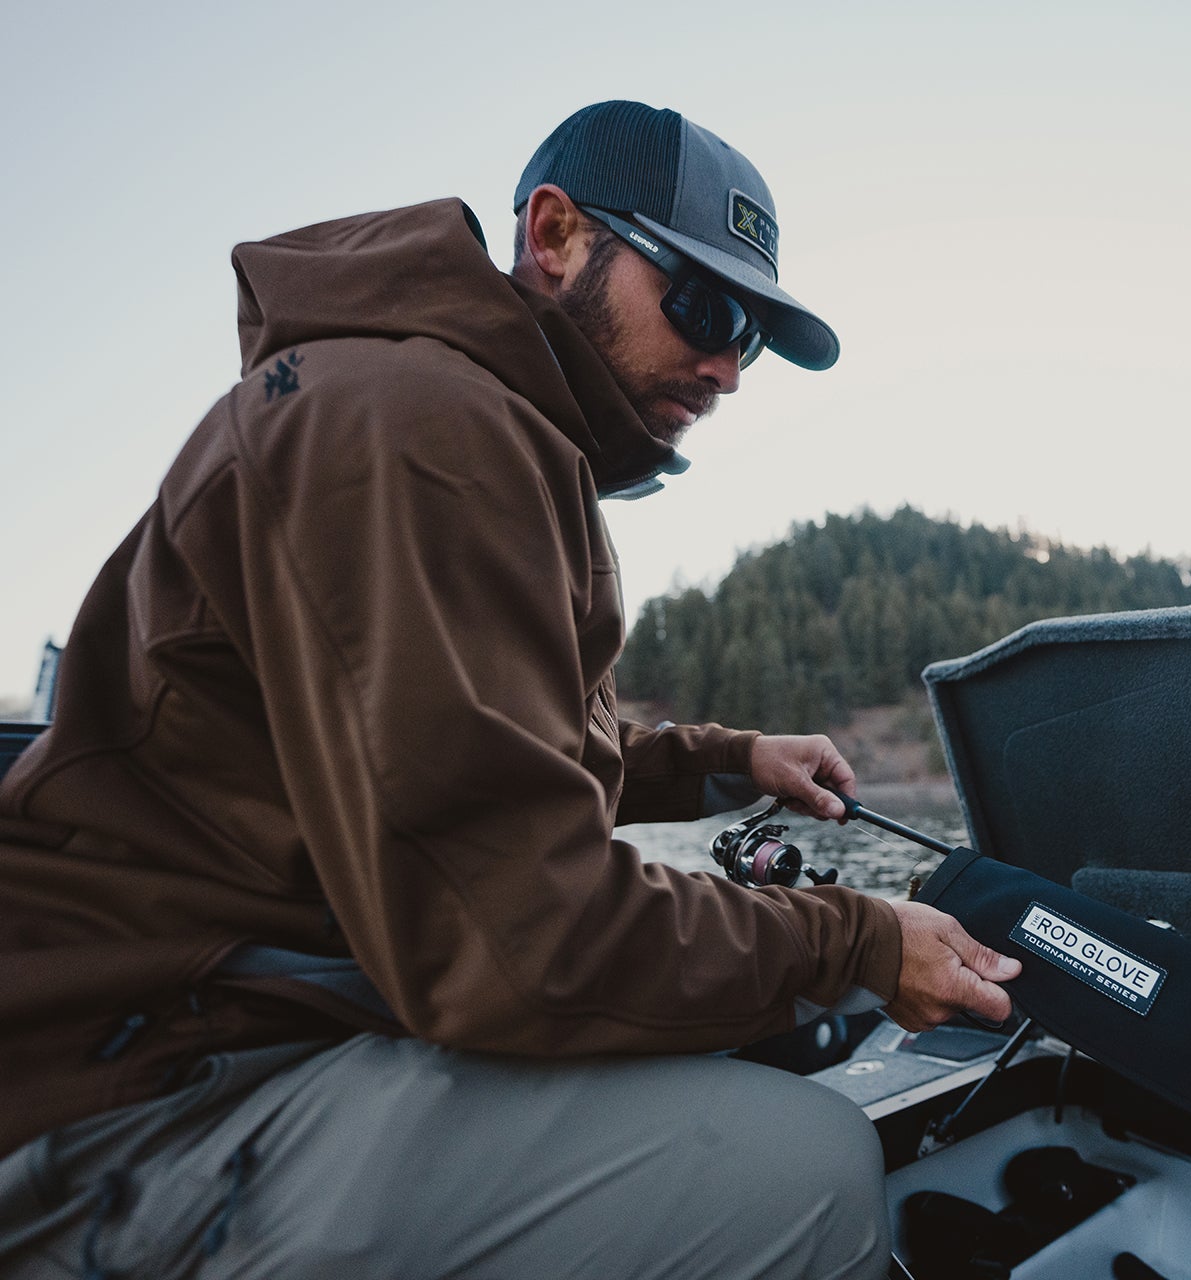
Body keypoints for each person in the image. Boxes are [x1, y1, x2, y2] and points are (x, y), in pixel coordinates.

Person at [0, 100, 1020, 1279]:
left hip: (243, 1022)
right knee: (813, 1169)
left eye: (749, 333)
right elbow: (524, 941)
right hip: (138, 1100)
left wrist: (727, 760)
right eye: (703, 306)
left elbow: (484, 752)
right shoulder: (419, 428)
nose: (729, 368)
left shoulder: (463, 417)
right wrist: (862, 938)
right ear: (554, 235)